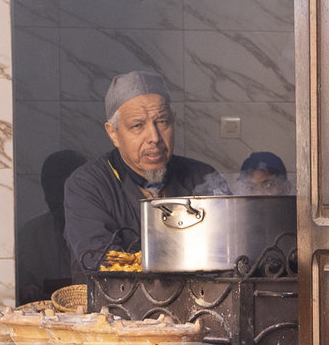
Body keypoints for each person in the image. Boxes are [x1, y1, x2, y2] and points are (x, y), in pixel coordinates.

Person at [62, 70, 221, 272]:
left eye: (162, 122)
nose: (154, 137)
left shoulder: (202, 176)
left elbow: (231, 251)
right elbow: (104, 263)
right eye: (137, 125)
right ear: (113, 133)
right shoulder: (87, 185)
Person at [16, 148, 88, 302]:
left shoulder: (109, 228)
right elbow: (18, 284)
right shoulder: (30, 234)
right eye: (55, 205)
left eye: (67, 203)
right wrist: (25, 289)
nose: (63, 212)